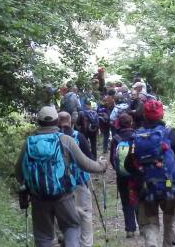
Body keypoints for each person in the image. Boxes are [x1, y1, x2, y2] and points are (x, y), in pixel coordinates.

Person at [16, 106, 108, 247]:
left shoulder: (29, 143)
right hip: (63, 196)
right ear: (56, 121)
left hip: (38, 198)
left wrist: (29, 187)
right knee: (71, 226)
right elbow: (85, 164)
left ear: (38, 122)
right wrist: (102, 165)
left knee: (44, 236)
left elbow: (19, 171)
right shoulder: (65, 140)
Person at [127, 100, 175, 247]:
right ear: (162, 114)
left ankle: (151, 243)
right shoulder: (171, 135)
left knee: (150, 224)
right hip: (170, 186)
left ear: (144, 115)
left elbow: (128, 165)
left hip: (145, 188)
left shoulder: (136, 137)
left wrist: (139, 177)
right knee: (170, 222)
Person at [57, 112, 96, 247]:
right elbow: (89, 160)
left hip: (59, 186)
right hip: (79, 182)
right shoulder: (79, 137)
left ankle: (66, 241)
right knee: (84, 216)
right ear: (71, 122)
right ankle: (85, 244)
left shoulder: (53, 139)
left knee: (65, 219)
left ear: (57, 122)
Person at [110, 113, 138, 238]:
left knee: (126, 201)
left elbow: (112, 158)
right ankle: (142, 226)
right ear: (131, 122)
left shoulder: (116, 138)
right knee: (138, 198)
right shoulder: (136, 136)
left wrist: (118, 169)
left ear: (119, 124)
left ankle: (130, 229)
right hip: (136, 174)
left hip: (122, 175)